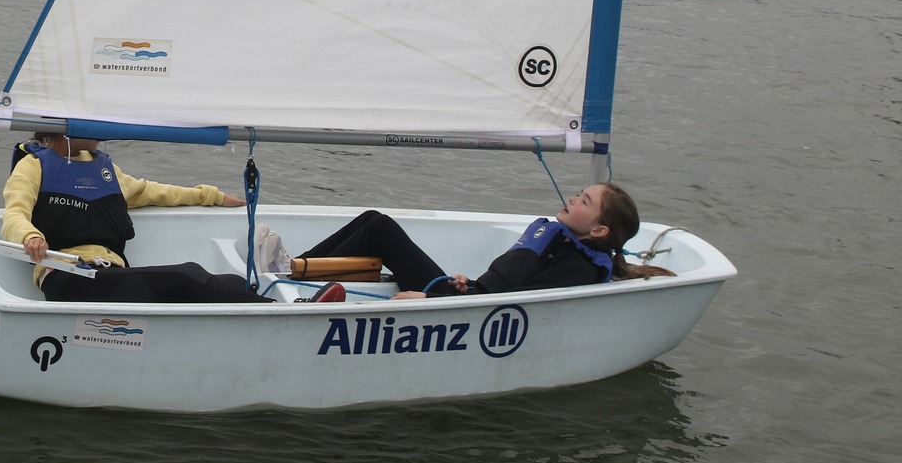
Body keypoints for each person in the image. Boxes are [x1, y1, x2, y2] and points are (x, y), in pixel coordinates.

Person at [2, 131, 320, 305]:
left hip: (107, 273)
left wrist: (211, 196)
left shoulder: (103, 169)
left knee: (233, 282)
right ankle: (285, 313)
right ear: (64, 126)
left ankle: (260, 311)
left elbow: (154, 192)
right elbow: (15, 213)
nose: (101, 129)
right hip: (66, 276)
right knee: (186, 275)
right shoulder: (34, 166)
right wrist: (30, 236)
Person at [261, 183, 670, 302]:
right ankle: (292, 268)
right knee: (373, 220)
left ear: (599, 231)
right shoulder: (565, 244)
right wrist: (467, 284)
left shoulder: (579, 265)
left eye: (585, 202)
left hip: (456, 304)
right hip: (465, 292)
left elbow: (520, 300)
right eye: (579, 193)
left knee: (381, 228)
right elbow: (504, 283)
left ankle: (289, 271)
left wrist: (431, 297)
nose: (573, 199)